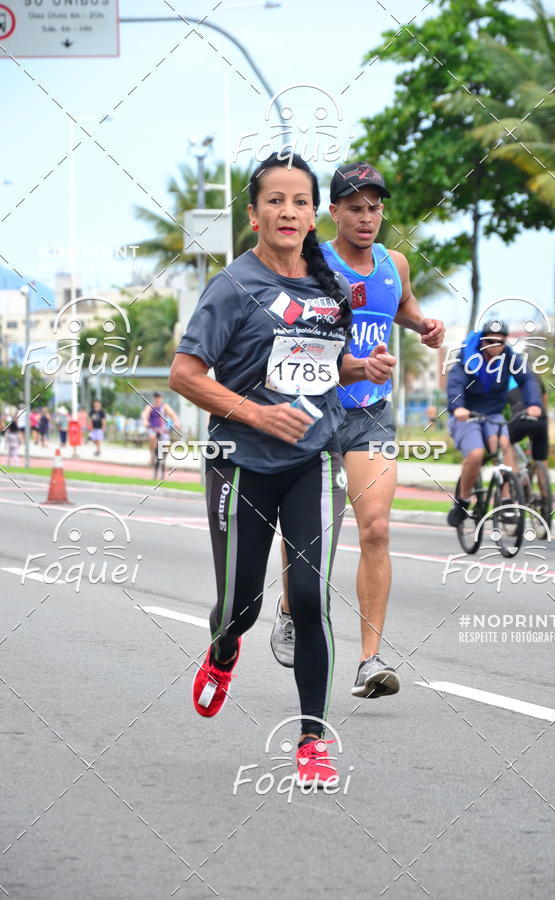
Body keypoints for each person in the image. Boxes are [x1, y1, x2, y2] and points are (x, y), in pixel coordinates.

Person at [169, 152, 396, 787]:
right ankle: (225, 646)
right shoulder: (232, 286)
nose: (288, 211)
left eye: (300, 201)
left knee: (307, 597)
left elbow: (319, 365)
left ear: (312, 213)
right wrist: (258, 416)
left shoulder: (327, 284)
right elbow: (185, 376)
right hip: (240, 463)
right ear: (254, 214)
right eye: (276, 201)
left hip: (310, 461)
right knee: (238, 606)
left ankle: (312, 739)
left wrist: (361, 368)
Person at [271, 161, 445, 700]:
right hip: (316, 408)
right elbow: (289, 330)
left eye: (374, 207)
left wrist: (424, 325)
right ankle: (288, 607)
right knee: (314, 537)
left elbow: (402, 304)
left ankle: (370, 660)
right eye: (355, 208)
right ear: (333, 213)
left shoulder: (395, 263)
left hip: (371, 413)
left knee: (376, 529)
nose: (367, 218)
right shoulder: (309, 261)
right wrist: (346, 361)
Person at [446, 320, 542, 526]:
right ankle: (462, 502)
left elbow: (527, 379)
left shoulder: (509, 358)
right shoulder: (467, 359)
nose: (495, 346)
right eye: (490, 341)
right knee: (476, 454)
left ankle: (506, 503)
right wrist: (459, 407)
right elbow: (455, 384)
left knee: (503, 446)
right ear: (482, 341)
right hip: (467, 416)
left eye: (500, 342)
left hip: (493, 415)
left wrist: (533, 404)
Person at [507, 374, 549, 461]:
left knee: (505, 443)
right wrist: (544, 413)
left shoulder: (504, 378)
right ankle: (542, 472)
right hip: (540, 419)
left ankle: (513, 470)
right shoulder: (534, 376)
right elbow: (544, 396)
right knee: (541, 458)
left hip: (519, 419)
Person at [142, 392, 180, 466]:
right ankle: (152, 457)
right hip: (152, 428)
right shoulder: (150, 406)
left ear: (161, 398)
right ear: (154, 398)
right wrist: (145, 421)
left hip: (162, 428)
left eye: (159, 397)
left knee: (166, 443)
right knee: (152, 438)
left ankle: (164, 459)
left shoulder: (165, 406)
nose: (157, 399)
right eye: (156, 398)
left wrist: (176, 422)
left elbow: (172, 414)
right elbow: (145, 414)